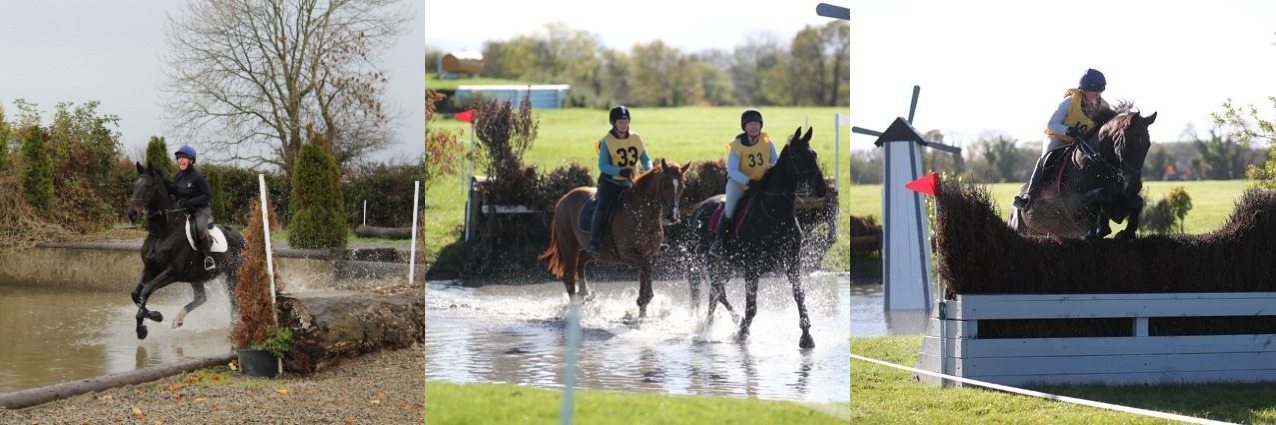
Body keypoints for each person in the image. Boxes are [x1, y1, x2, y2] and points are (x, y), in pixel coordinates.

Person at [1013, 68, 1112, 211]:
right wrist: (1068, 130)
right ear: (1083, 90)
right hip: (1058, 136)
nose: (1097, 94)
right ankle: (1028, 197)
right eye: (1093, 90)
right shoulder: (1069, 102)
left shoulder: (1104, 107)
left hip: (1080, 141)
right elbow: (1051, 124)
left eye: (1100, 90)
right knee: (1047, 158)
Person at [709, 108, 777, 257]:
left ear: (761, 125)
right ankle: (719, 242)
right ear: (744, 127)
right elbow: (732, 170)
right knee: (730, 209)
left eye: (756, 123)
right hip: (739, 185)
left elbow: (775, 162)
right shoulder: (736, 145)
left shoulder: (767, 141)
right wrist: (749, 181)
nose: (753, 126)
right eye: (750, 124)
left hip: (762, 183)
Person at [584, 106, 652, 255]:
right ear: (613, 123)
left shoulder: (636, 138)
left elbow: (645, 159)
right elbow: (602, 165)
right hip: (610, 183)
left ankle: (652, 239)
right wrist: (619, 171)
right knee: (602, 208)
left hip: (629, 183)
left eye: (625, 121)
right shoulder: (607, 141)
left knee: (646, 205)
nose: (623, 124)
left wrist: (648, 169)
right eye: (620, 122)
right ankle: (594, 242)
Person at [171, 145, 217, 270]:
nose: (180, 160)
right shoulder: (177, 177)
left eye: (183, 158)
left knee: (199, 227)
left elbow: (207, 195)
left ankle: (208, 258)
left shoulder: (198, 177)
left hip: (200, 210)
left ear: (191, 160)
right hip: (184, 211)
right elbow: (174, 194)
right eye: (179, 158)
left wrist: (191, 202)